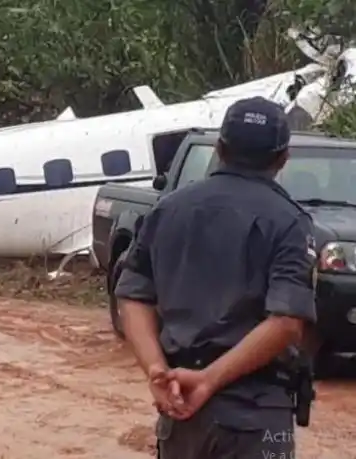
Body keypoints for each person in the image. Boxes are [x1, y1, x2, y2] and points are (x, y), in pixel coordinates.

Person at [114, 96, 316, 458]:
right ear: (283, 158)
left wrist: (157, 371)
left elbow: (132, 296)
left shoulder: (168, 210)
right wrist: (208, 380)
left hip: (181, 410)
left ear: (220, 149)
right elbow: (286, 322)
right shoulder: (289, 222)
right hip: (255, 416)